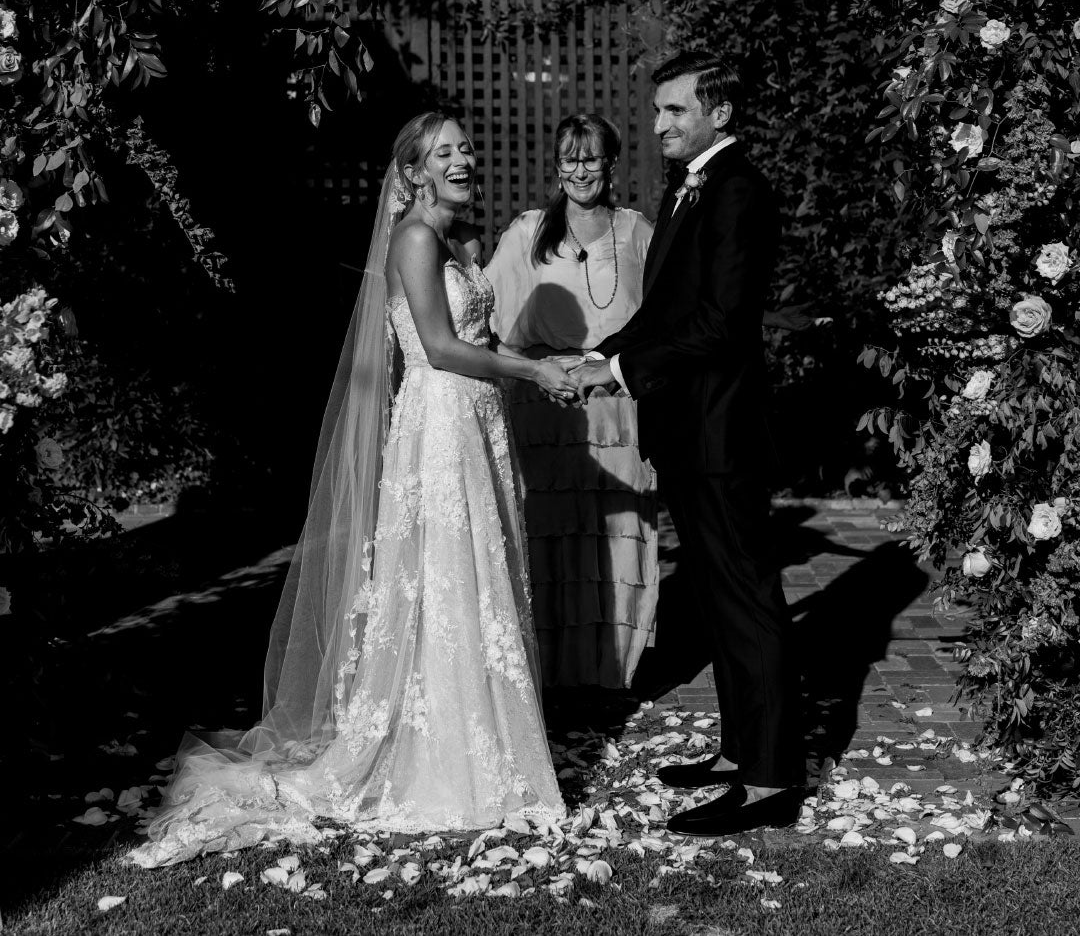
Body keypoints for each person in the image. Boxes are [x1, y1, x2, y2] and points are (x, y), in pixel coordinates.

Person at [131, 111, 573, 864]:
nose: (464, 157)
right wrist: (532, 371)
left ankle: (484, 742)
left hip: (475, 424)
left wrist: (561, 366)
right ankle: (445, 761)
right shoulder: (413, 238)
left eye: (467, 146)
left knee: (478, 580)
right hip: (438, 427)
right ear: (414, 170)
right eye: (446, 150)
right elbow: (437, 347)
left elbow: (483, 342)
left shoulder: (461, 242)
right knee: (444, 581)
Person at [571, 52, 804, 837]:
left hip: (722, 433)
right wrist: (601, 356)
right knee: (716, 601)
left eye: (675, 110)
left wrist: (624, 368)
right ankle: (741, 753)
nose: (659, 123)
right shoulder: (688, 186)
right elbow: (668, 309)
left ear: (720, 112)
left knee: (748, 602)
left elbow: (721, 326)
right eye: (659, 110)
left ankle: (772, 778)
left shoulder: (739, 192)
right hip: (686, 431)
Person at [485, 113, 656, 690]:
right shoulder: (528, 231)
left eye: (591, 157)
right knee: (547, 533)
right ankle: (546, 670)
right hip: (545, 405)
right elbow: (488, 313)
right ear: (556, 166)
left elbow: (663, 318)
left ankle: (612, 669)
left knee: (615, 536)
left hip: (615, 404)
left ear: (612, 164)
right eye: (569, 157)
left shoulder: (637, 231)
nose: (580, 169)